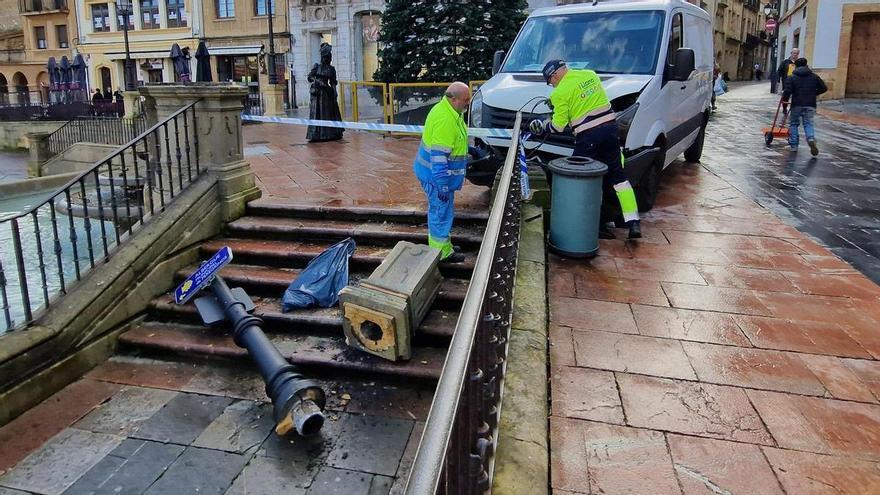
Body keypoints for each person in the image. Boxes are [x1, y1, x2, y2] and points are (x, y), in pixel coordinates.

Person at [529, 60, 641, 239]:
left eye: (550, 81)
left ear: (555, 74)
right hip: (611, 131)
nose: (551, 85)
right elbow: (585, 100)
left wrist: (543, 126)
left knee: (580, 179)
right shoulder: (590, 75)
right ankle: (633, 221)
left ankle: (587, 225)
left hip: (588, 138)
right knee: (618, 178)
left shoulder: (559, 93)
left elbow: (558, 126)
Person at [412, 82, 471, 263]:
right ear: (453, 99)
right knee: (440, 213)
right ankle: (442, 254)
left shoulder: (451, 112)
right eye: (465, 100)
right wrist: (442, 185)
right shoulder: (445, 119)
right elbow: (439, 159)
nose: (468, 104)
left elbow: (453, 143)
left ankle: (444, 245)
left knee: (442, 212)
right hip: (436, 178)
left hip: (436, 176)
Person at [782, 57, 827, 156]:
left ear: (796, 66)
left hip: (796, 104)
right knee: (808, 123)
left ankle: (794, 146)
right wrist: (813, 93)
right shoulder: (814, 76)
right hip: (810, 104)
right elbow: (824, 88)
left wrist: (784, 104)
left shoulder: (792, 77)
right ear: (806, 65)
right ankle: (810, 138)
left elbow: (787, 91)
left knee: (794, 124)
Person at [306, 43, 344, 142]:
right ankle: (316, 134)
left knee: (328, 113)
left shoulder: (332, 69)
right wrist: (318, 81)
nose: (328, 58)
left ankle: (329, 134)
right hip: (318, 94)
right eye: (326, 56)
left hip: (327, 94)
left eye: (329, 56)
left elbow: (333, 82)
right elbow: (309, 77)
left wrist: (335, 93)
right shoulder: (317, 66)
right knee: (317, 113)